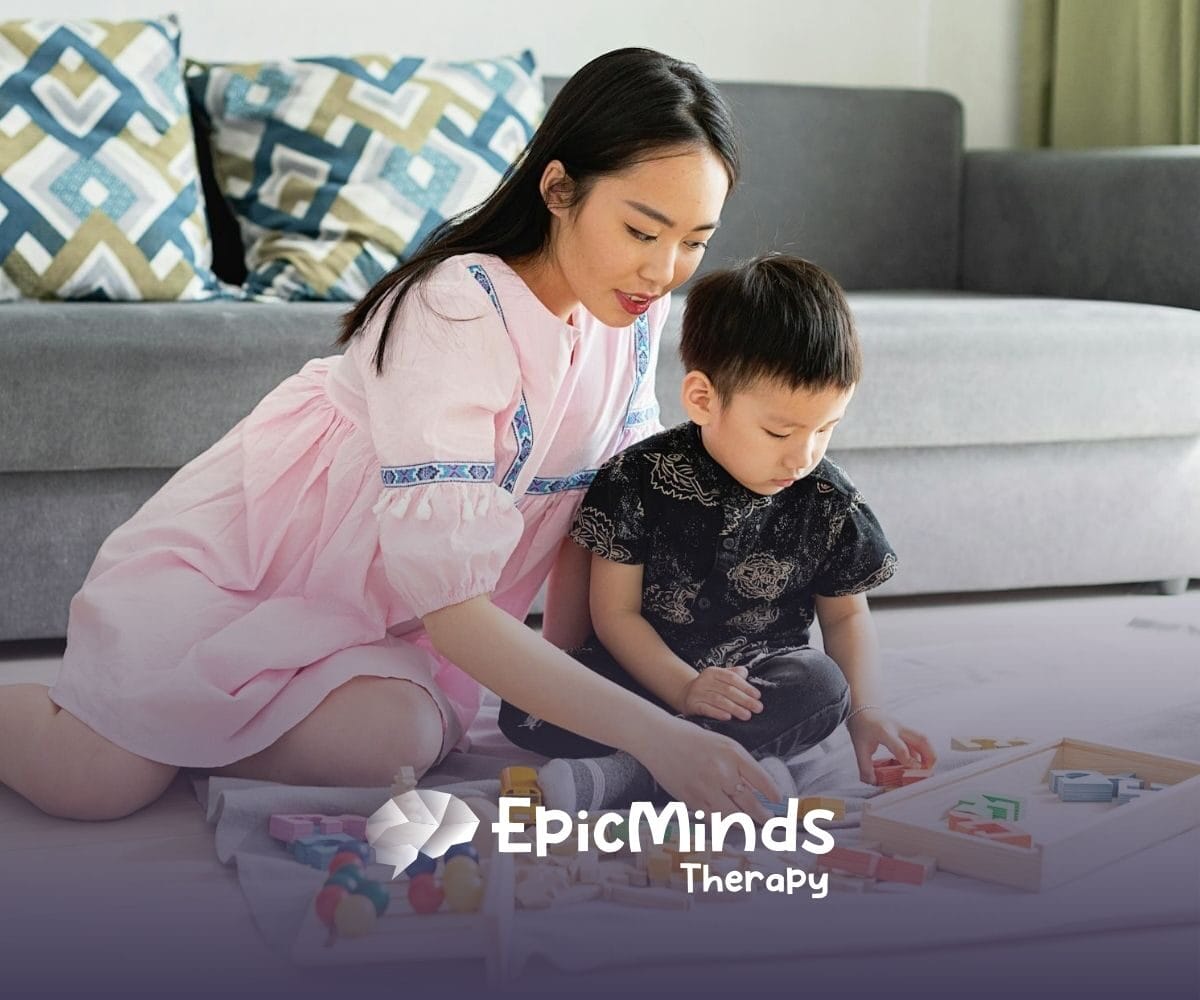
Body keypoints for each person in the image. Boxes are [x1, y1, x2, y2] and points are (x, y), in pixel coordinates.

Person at [0, 48, 784, 823]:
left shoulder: (630, 321)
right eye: (642, 231)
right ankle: (133, 729)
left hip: (372, 628)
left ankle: (167, 730)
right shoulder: (454, 308)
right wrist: (653, 737)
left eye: (694, 241)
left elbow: (594, 521)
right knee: (94, 783)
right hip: (244, 581)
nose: (664, 271)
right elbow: (454, 607)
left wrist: (596, 694)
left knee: (393, 749)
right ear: (558, 188)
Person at [499, 254, 937, 811]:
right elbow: (615, 616)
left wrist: (868, 716)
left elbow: (847, 616)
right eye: (779, 430)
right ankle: (722, 757)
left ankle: (632, 775)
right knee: (526, 706)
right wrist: (684, 687)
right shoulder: (636, 479)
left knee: (820, 688)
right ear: (703, 398)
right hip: (647, 678)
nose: (803, 456)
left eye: (826, 429)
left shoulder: (828, 500)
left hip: (757, 685)